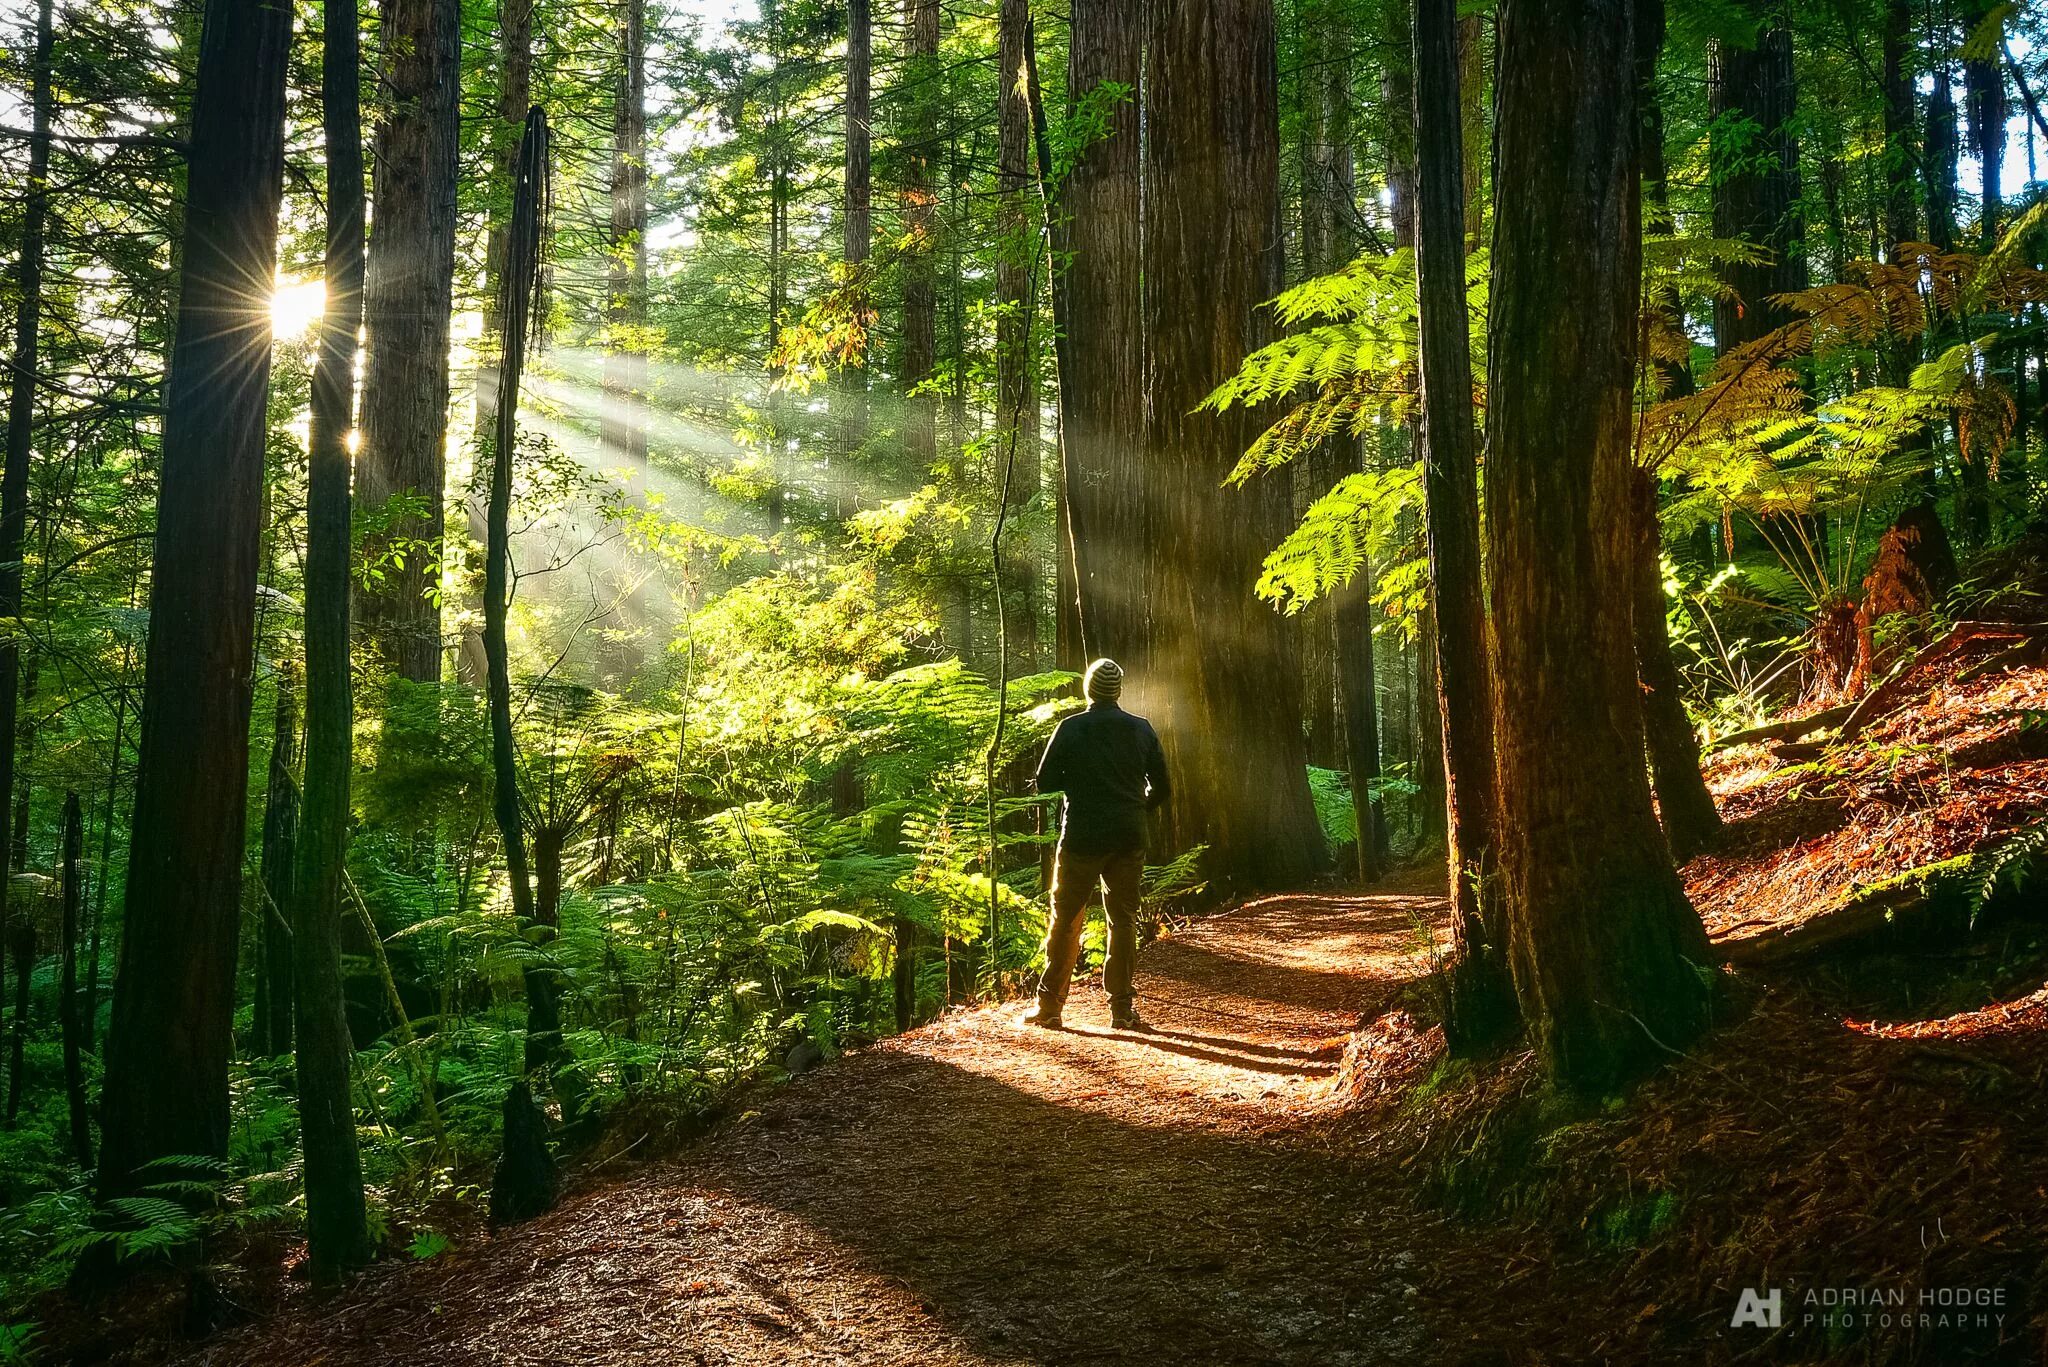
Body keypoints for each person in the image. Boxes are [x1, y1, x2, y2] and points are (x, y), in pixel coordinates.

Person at [1023, 657, 1170, 1031]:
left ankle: (1050, 1007)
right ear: (1118, 691)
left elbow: (1044, 781)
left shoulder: (1071, 729)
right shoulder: (1141, 729)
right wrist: (1137, 807)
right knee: (1122, 922)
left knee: (1066, 921)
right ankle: (1121, 1011)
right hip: (1128, 838)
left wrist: (1079, 782)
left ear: (1088, 689)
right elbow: (1163, 788)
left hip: (1081, 838)